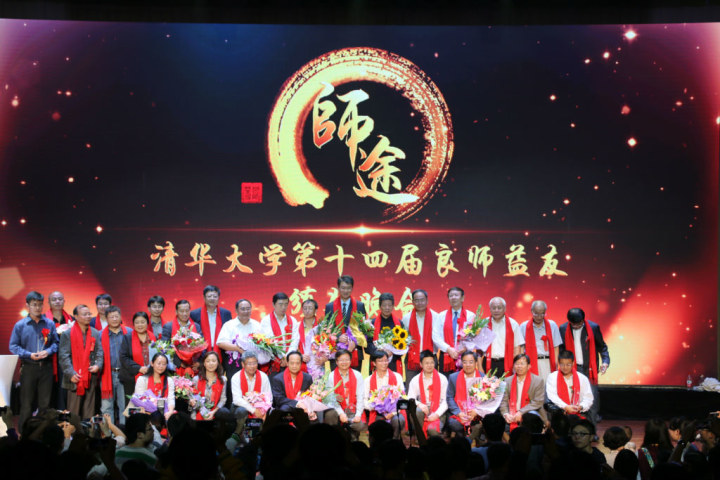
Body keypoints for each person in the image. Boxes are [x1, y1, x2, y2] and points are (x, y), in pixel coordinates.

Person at [9, 291, 59, 433]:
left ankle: (41, 433)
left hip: (46, 367)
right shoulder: (20, 325)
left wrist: (48, 351)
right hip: (29, 367)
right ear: (28, 305)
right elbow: (13, 346)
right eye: (34, 305)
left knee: (44, 404)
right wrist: (29, 355)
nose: (37, 308)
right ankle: (24, 434)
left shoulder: (49, 323)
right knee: (26, 404)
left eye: (40, 305)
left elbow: (55, 343)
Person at [559, 307, 609, 423]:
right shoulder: (563, 329)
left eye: (579, 324)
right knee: (572, 399)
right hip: (571, 369)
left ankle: (592, 428)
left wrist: (605, 362)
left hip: (589, 369)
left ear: (583, 320)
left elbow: (602, 347)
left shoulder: (593, 327)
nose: (576, 326)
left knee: (591, 399)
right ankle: (574, 427)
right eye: (573, 324)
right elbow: (561, 350)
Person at [58, 304, 103, 419]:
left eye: (89, 314)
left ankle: (87, 429)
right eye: (84, 314)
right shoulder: (67, 334)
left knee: (89, 410)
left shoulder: (95, 332)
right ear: (76, 316)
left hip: (90, 376)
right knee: (74, 412)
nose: (88, 316)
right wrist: (71, 373)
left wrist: (98, 365)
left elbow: (99, 352)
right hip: (75, 377)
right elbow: (63, 356)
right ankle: (73, 430)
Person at [217, 298, 262, 403]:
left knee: (253, 385)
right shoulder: (229, 325)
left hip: (253, 363)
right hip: (234, 363)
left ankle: (254, 407)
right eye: (243, 309)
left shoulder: (257, 325)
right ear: (236, 310)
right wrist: (237, 348)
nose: (246, 311)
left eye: (248, 309)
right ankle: (234, 409)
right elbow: (220, 343)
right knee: (234, 387)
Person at [324, 275, 366, 368]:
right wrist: (338, 337)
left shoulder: (360, 305)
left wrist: (355, 341)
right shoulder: (330, 307)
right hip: (336, 352)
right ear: (338, 288)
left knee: (354, 377)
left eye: (348, 288)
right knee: (337, 378)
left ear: (352, 288)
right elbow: (326, 329)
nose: (346, 291)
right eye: (343, 288)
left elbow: (364, 328)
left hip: (355, 351)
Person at [100, 305, 131, 427]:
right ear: (106, 319)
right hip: (107, 374)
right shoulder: (100, 335)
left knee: (124, 405)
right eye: (111, 317)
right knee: (106, 407)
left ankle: (124, 433)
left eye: (116, 316)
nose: (114, 319)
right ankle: (108, 433)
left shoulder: (129, 332)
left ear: (120, 317)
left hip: (125, 374)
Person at [364, 350, 406, 436]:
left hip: (394, 412)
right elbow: (364, 399)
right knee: (378, 427)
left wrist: (393, 413)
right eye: (380, 361)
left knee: (398, 420)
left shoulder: (397, 376)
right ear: (374, 363)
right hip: (377, 412)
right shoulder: (368, 380)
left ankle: (395, 440)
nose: (384, 363)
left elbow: (402, 397)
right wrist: (374, 407)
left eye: (386, 360)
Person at [435, 287, 475, 374]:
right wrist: (448, 349)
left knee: (464, 381)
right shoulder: (441, 316)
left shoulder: (470, 316)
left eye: (456, 295)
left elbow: (475, 336)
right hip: (445, 355)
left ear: (462, 298)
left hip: (465, 356)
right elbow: (435, 336)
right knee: (446, 381)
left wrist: (464, 348)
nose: (453, 297)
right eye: (451, 296)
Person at [500, 354, 547, 429]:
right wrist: (506, 414)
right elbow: (503, 401)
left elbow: (538, 402)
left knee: (531, 419)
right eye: (517, 364)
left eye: (522, 364)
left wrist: (521, 412)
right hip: (512, 415)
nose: (519, 366)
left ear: (529, 366)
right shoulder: (507, 381)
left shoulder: (538, 381)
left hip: (530, 415)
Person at [519, 300, 562, 381]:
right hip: (531, 363)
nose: (539, 317)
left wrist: (556, 364)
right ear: (532, 311)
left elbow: (556, 347)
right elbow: (521, 348)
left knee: (549, 386)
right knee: (533, 386)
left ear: (545, 312)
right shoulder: (524, 326)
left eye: (542, 314)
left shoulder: (552, 325)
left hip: (548, 362)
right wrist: (521, 364)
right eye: (536, 314)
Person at [407, 350, 447, 435]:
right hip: (423, 410)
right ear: (421, 364)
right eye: (426, 363)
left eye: (432, 362)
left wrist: (437, 414)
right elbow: (410, 398)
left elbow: (446, 401)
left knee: (432, 431)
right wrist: (419, 404)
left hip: (438, 411)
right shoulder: (415, 380)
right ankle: (420, 437)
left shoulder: (442, 379)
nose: (430, 365)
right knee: (418, 411)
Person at [401, 289, 438, 383]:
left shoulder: (436, 317)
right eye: (416, 300)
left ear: (427, 300)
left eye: (422, 300)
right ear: (412, 302)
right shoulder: (406, 318)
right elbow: (403, 339)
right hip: (412, 359)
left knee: (431, 386)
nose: (420, 303)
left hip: (430, 358)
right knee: (411, 386)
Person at [46, 290, 74, 410]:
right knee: (49, 390)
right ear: (49, 302)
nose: (57, 301)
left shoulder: (71, 320)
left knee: (65, 390)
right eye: (54, 299)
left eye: (60, 299)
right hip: (49, 360)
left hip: (67, 360)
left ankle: (65, 414)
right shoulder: (43, 320)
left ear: (64, 301)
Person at [260, 292, 299, 375]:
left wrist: (287, 357)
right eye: (280, 304)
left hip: (290, 361)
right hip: (273, 361)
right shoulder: (266, 320)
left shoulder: (293, 320)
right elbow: (270, 341)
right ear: (273, 304)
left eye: (286, 304)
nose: (283, 307)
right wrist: (282, 356)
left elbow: (295, 341)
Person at [545, 350, 593, 416]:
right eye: (562, 364)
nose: (565, 367)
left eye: (568, 365)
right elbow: (552, 396)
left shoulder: (582, 378)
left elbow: (588, 398)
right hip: (559, 413)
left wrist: (581, 406)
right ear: (558, 363)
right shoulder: (552, 377)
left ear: (573, 363)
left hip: (578, 412)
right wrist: (565, 407)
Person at [331, 349, 365, 441]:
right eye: (341, 360)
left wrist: (358, 414)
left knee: (359, 425)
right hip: (338, 410)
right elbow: (331, 399)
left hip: (352, 409)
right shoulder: (331, 376)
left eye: (346, 359)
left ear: (350, 361)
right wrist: (341, 413)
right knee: (330, 416)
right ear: (336, 362)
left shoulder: (357, 375)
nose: (344, 362)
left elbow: (361, 396)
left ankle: (351, 434)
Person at [119, 312, 156, 397]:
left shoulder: (152, 337)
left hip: (151, 375)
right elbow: (123, 357)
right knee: (133, 403)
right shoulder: (127, 337)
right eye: (137, 322)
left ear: (147, 323)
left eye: (142, 322)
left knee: (151, 400)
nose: (140, 325)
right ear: (133, 324)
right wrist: (139, 368)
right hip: (131, 377)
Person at [446, 351, 483, 435]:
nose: (468, 365)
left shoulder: (483, 378)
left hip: (477, 413)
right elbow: (449, 397)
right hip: (460, 413)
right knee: (454, 424)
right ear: (461, 363)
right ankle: (467, 436)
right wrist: (459, 413)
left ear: (476, 363)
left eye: (471, 362)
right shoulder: (453, 377)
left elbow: (487, 400)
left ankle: (469, 436)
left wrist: (477, 411)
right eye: (465, 362)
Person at [365, 293, 404, 372]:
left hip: (393, 363)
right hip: (377, 362)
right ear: (380, 306)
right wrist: (380, 351)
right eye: (384, 305)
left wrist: (392, 352)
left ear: (393, 306)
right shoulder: (372, 323)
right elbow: (367, 345)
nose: (387, 308)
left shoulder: (399, 324)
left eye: (389, 305)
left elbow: (403, 345)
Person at [189, 285, 233, 356]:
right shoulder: (194, 314)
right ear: (204, 297)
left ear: (218, 298)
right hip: (201, 353)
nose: (212, 299)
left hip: (222, 353)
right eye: (209, 296)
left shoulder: (226, 314)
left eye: (215, 296)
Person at [484, 297, 523, 376]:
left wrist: (515, 364)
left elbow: (517, 347)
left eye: (499, 308)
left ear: (504, 309)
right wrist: (480, 367)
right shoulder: (484, 323)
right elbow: (479, 350)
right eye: (493, 308)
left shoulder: (513, 324)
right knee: (487, 384)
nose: (496, 310)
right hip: (488, 362)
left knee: (506, 384)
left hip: (507, 363)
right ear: (490, 309)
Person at [231, 351, 272, 420]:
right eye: (249, 364)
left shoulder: (263, 376)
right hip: (241, 407)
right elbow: (237, 399)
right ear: (243, 364)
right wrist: (253, 410)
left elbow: (269, 397)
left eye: (254, 363)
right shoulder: (236, 377)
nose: (252, 366)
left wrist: (263, 409)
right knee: (241, 411)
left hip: (260, 407)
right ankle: (239, 427)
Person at [134, 353, 175, 419]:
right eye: (159, 363)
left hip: (164, 414)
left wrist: (170, 411)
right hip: (145, 414)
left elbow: (171, 398)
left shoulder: (169, 380)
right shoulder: (142, 379)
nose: (161, 366)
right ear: (152, 363)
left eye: (164, 364)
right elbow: (139, 399)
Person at [191, 351, 226, 420]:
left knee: (224, 412)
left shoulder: (222, 379)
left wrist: (213, 412)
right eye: (208, 361)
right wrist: (191, 401)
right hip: (198, 412)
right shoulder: (196, 379)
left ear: (218, 363)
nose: (211, 364)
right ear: (204, 363)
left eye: (213, 361)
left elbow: (223, 399)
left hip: (215, 413)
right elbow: (193, 397)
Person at [297, 299, 319, 372]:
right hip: (301, 363)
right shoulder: (296, 326)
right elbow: (293, 346)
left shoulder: (321, 326)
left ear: (316, 310)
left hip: (318, 363)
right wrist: (300, 355)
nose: (307, 311)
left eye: (310, 308)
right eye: (305, 308)